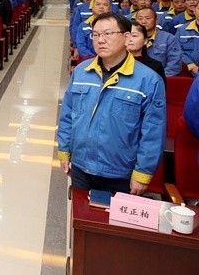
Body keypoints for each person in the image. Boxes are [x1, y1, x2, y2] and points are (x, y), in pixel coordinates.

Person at [57, 13, 166, 195]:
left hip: (120, 172)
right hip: (81, 166)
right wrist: (64, 151)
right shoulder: (81, 72)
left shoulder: (149, 80)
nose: (100, 40)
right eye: (96, 34)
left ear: (127, 37)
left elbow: (153, 132)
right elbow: (67, 115)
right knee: (80, 212)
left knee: (112, 214)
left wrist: (142, 174)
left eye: (108, 34)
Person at [135, 8, 182, 77]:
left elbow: (174, 65)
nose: (143, 21)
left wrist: (157, 79)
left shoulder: (169, 38)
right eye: (140, 18)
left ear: (156, 21)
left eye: (148, 18)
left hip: (161, 78)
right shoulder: (128, 38)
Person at [127, 20, 166, 84]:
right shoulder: (113, 64)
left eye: (134, 36)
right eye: (126, 36)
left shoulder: (155, 66)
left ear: (145, 41)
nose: (130, 39)